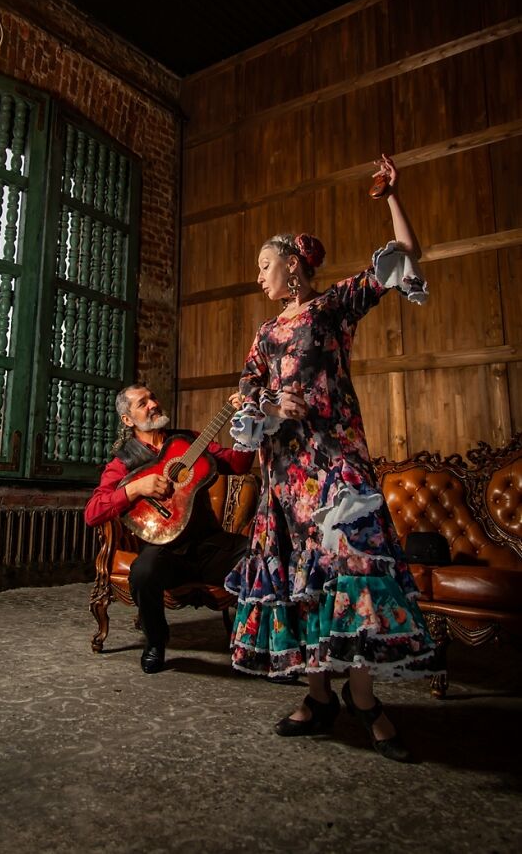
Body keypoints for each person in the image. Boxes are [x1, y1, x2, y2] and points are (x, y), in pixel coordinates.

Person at [226, 154, 437, 762]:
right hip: (284, 470)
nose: (259, 277)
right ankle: (318, 696)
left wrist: (391, 195)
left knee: (355, 566)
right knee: (301, 578)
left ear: (292, 265)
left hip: (335, 460)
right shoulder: (265, 334)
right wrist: (272, 402)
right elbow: (244, 391)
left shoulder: (333, 308)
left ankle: (364, 699)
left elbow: (404, 253)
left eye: (265, 265)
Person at [85, 383, 254, 674]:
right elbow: (92, 513)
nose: (153, 404)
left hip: (208, 545)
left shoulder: (188, 441)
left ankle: (254, 643)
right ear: (127, 419)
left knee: (261, 554)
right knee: (143, 572)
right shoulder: (124, 461)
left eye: (152, 397)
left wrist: (247, 422)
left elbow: (238, 465)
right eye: (142, 403)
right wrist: (136, 488)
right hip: (165, 551)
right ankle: (155, 642)